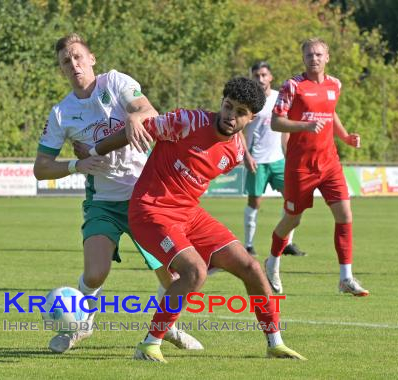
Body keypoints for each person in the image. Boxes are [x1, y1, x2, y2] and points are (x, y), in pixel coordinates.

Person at [89, 76, 306, 362]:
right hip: (151, 210)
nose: (231, 115)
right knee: (195, 272)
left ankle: (275, 344)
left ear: (251, 118)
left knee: (252, 266)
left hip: (189, 213)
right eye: (228, 106)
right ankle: (149, 345)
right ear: (222, 102)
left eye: (241, 112)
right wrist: (95, 151)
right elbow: (138, 129)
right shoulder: (187, 121)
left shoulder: (237, 152)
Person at [33, 33, 202, 353]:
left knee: (173, 277)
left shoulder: (115, 82)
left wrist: (136, 117)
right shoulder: (61, 113)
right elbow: (41, 167)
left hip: (145, 200)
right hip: (103, 203)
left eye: (78, 57)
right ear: (61, 70)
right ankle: (80, 325)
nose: (73, 65)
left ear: (92, 58)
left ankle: (169, 329)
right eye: (65, 62)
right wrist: (75, 166)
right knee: (95, 274)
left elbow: (148, 111)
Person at [264, 37, 369, 296]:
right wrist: (304, 126)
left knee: (345, 215)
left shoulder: (335, 84)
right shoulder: (293, 86)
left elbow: (330, 113)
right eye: (310, 55)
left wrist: (345, 137)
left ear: (327, 57)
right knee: (292, 219)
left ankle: (346, 277)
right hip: (300, 166)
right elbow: (276, 122)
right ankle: (272, 262)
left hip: (329, 163)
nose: (314, 59)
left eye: (319, 54)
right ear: (304, 58)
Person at [241, 61, 306, 257]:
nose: (260, 79)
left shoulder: (280, 98)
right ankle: (249, 245)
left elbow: (285, 129)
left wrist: (290, 156)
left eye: (263, 75)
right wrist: (246, 155)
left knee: (292, 200)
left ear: (270, 77)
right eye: (256, 76)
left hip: (278, 160)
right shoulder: (249, 102)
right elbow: (240, 132)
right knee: (255, 203)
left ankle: (287, 243)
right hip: (257, 161)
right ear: (252, 78)